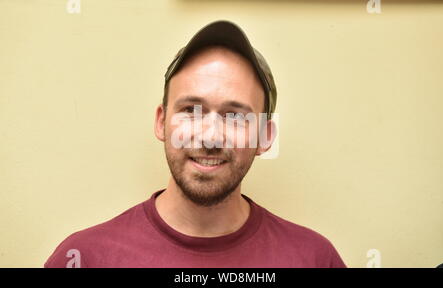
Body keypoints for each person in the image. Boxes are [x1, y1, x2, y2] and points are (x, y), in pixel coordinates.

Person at [45, 20, 346, 268]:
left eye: (235, 116)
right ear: (161, 122)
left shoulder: (315, 259)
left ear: (265, 137)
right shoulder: (85, 258)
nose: (210, 136)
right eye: (191, 110)